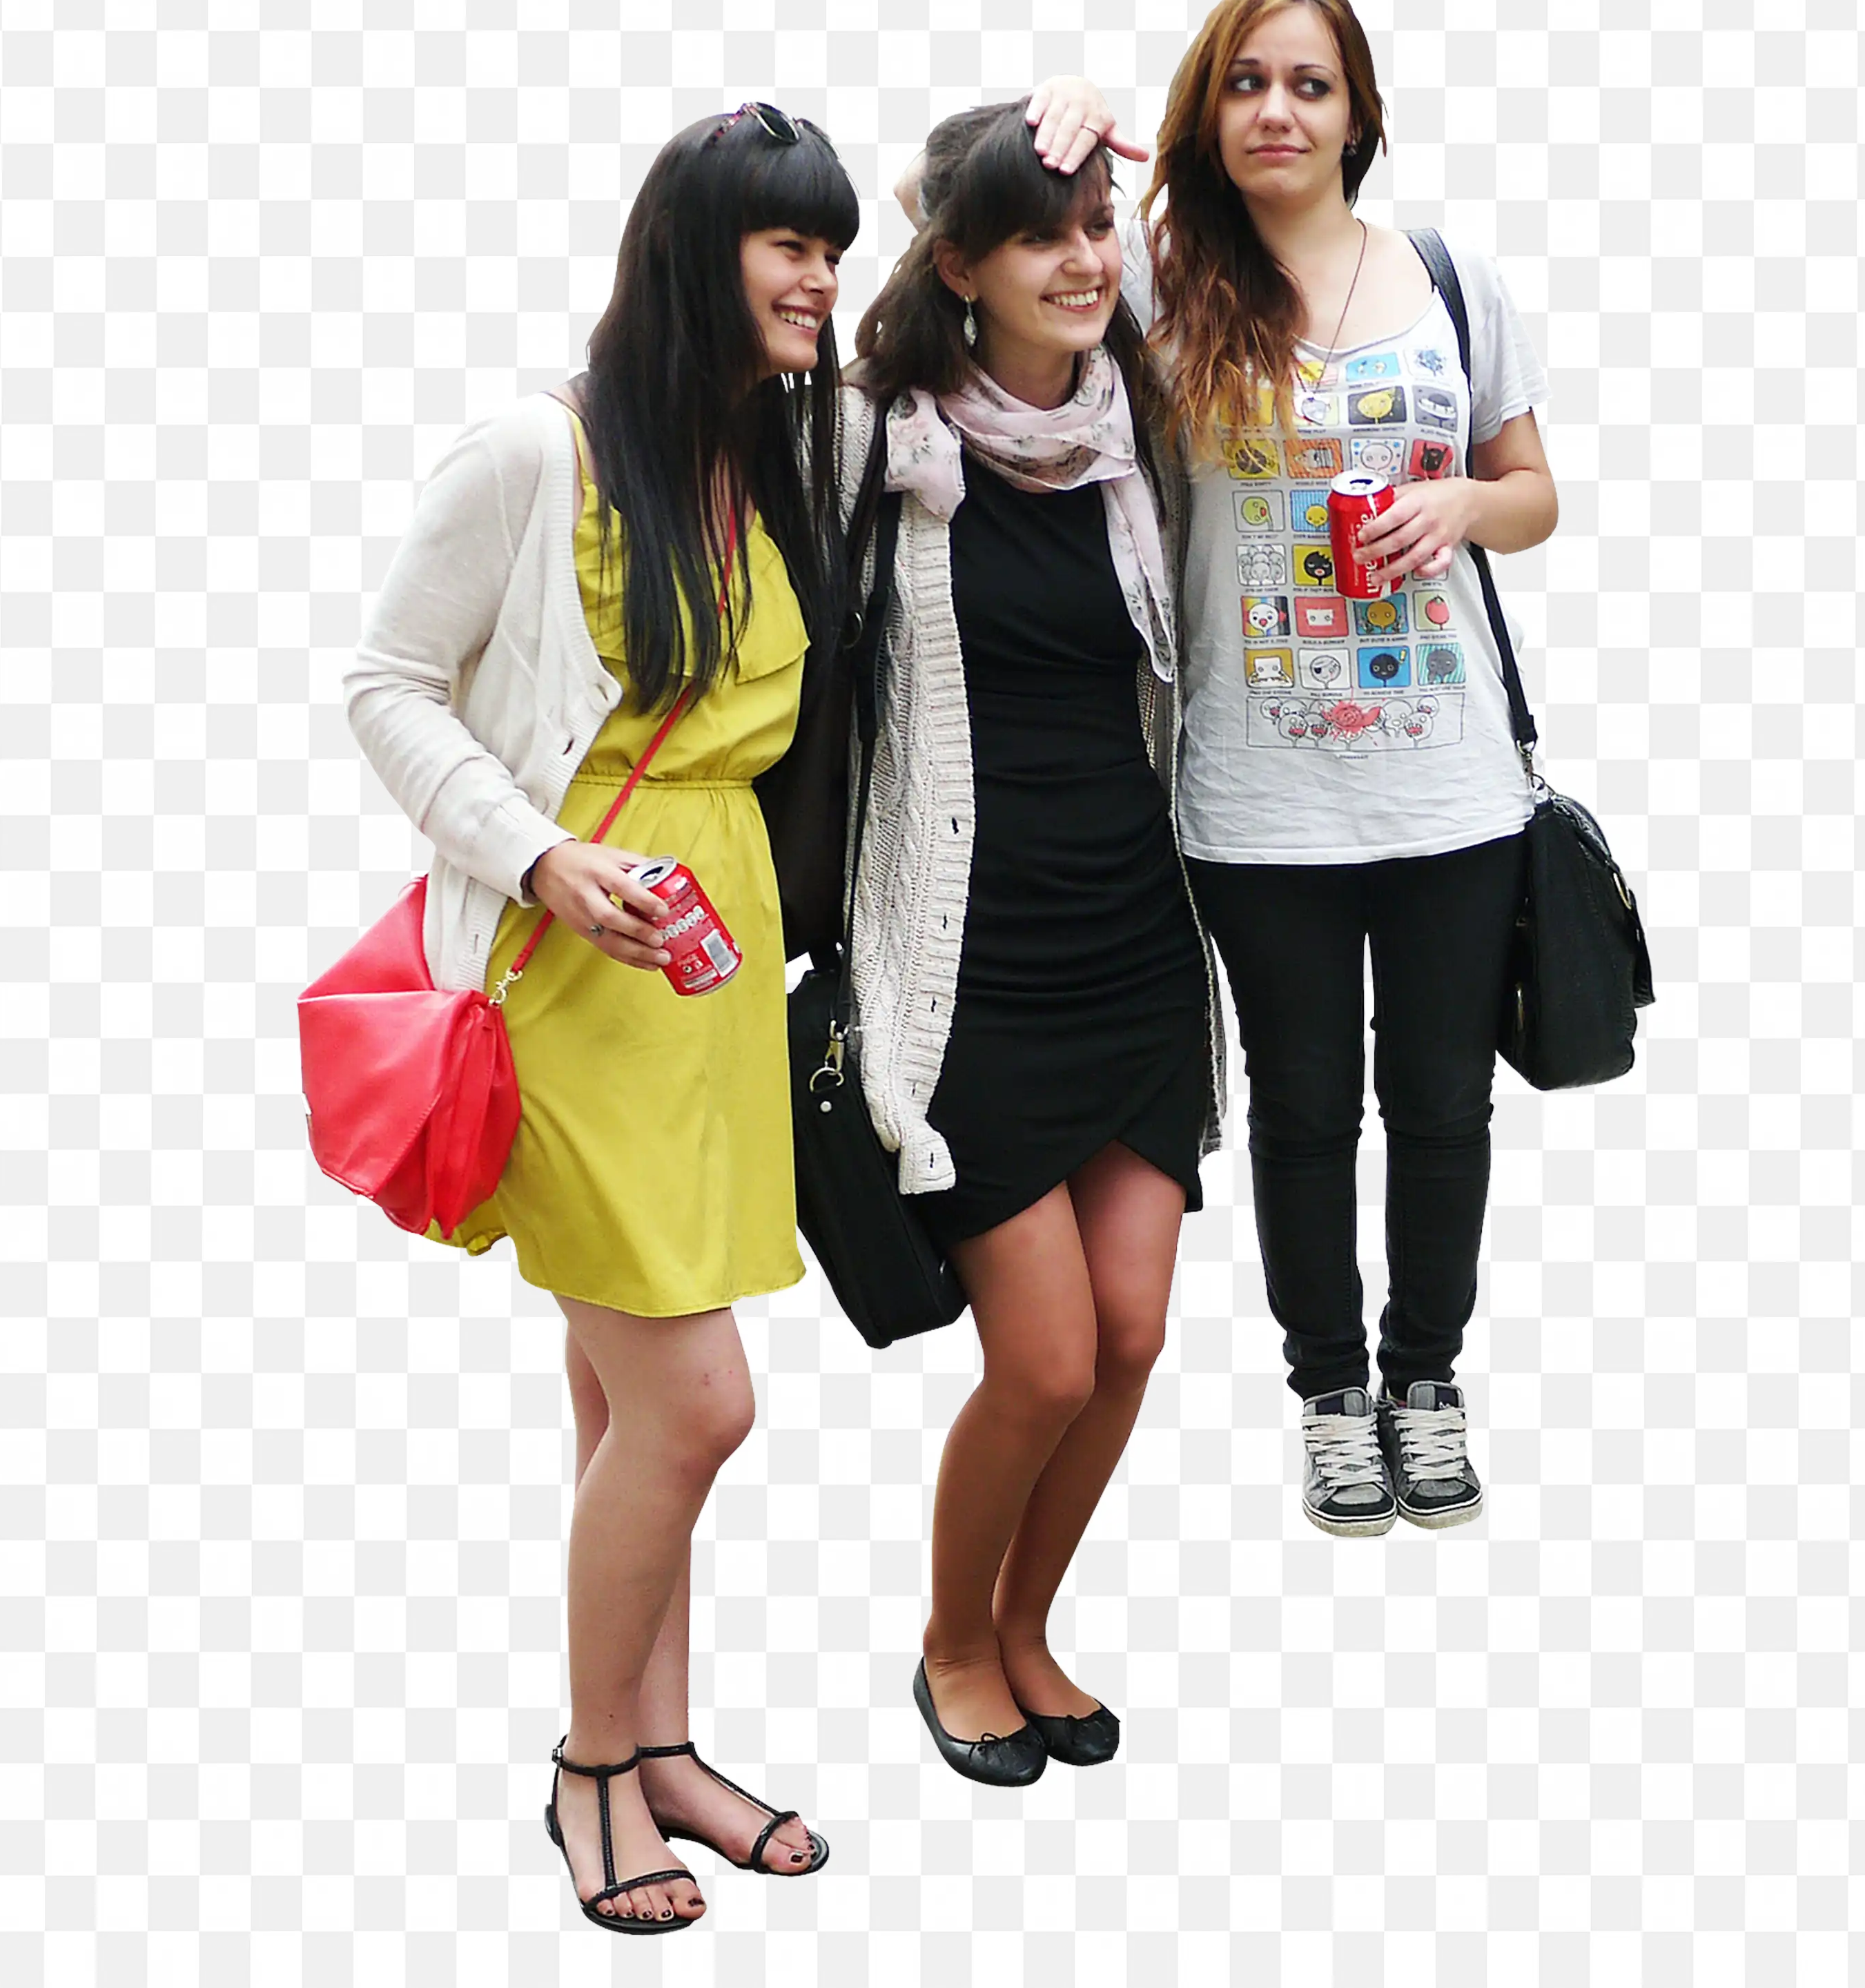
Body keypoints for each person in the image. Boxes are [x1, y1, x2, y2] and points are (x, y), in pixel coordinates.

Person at [342, 104, 855, 1931]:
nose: (820, 275)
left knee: (618, 1402)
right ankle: (586, 1772)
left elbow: (1012, 337)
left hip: (708, 997)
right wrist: (543, 859)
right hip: (571, 982)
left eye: (834, 246)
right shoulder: (534, 456)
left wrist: (1075, 140)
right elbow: (388, 686)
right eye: (786, 243)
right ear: (690, 253)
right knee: (696, 1405)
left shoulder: (773, 458)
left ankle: (663, 1745)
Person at [1015, 0, 1560, 1536]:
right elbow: (958, 247)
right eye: (1247, 81)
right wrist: (1064, 136)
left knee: (1445, 1100)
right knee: (1306, 1103)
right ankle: (1330, 1389)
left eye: (1311, 85)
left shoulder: (1448, 279)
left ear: (1357, 114)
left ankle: (1429, 1377)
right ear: (1212, 108)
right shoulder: (1158, 289)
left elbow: (1537, 492)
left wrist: (1464, 506)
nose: (1278, 109)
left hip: (1452, 780)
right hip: (1257, 800)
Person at [844, 101, 1222, 1783]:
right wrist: (966, 150)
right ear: (958, 266)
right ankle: (948, 1640)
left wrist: (1126, 113)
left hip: (1135, 936)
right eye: (1037, 234)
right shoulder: (876, 445)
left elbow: (1283, 247)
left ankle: (1029, 1622)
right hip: (971, 960)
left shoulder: (1145, 424)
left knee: (1132, 1335)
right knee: (1046, 1351)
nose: (1083, 262)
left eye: (1095, 228)